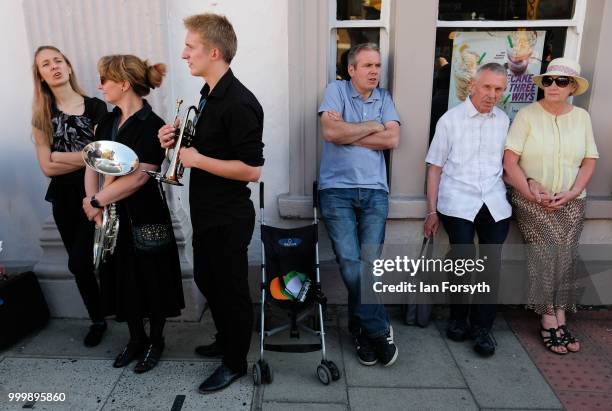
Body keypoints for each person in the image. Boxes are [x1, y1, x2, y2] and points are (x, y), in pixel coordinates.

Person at [158, 13, 264, 392]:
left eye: (190, 46)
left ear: (213, 51)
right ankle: (226, 340)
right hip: (206, 212)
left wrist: (197, 159)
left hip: (228, 215)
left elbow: (252, 169)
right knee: (208, 280)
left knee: (230, 290)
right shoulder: (207, 95)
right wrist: (174, 139)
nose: (184, 54)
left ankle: (234, 362)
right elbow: (203, 146)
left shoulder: (239, 102)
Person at [83, 54, 184, 373]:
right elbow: (92, 162)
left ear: (124, 83)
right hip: (111, 213)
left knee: (152, 279)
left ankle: (156, 341)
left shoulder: (152, 125)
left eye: (105, 79)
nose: (100, 86)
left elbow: (141, 176)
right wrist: (91, 200)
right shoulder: (106, 120)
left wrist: (96, 201)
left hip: (144, 213)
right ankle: (135, 339)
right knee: (123, 278)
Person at [503, 58, 598, 355]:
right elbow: (509, 162)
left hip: (571, 200)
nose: (553, 86)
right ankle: (549, 318)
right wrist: (530, 191)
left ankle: (560, 313)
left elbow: (589, 159)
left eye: (561, 81)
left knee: (565, 254)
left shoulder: (581, 117)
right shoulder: (527, 116)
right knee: (547, 251)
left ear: (572, 87)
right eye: (548, 80)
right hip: (531, 198)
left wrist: (573, 191)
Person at [318, 43, 400, 367]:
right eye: (367, 66)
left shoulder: (385, 98)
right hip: (336, 190)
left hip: (375, 192)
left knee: (368, 266)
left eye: (377, 66)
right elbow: (329, 131)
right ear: (351, 70)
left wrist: (347, 133)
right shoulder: (336, 91)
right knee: (351, 264)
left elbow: (392, 140)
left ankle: (360, 331)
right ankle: (379, 329)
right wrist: (371, 126)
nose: (374, 72)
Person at [424, 63, 511, 357]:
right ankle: (458, 318)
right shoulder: (450, 120)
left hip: (494, 201)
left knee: (491, 263)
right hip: (457, 199)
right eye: (487, 87)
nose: (492, 94)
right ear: (473, 85)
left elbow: (509, 165)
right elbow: (434, 168)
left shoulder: (503, 121)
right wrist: (432, 211)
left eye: (498, 88)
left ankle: (482, 328)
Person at [31, 45, 108, 347]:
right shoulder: (42, 116)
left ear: (69, 66)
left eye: (58, 61)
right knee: (79, 264)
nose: (54, 67)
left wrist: (60, 156)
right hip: (64, 198)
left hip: (98, 192)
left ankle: (123, 309)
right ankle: (98, 318)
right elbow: (47, 168)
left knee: (93, 258)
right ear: (40, 76)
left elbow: (103, 158)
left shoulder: (96, 108)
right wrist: (86, 154)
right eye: (46, 64)